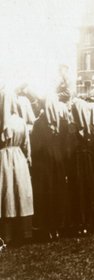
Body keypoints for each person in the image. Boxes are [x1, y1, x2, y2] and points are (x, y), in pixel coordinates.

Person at [31, 96, 69, 240]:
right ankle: (58, 226)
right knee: (58, 193)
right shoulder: (64, 123)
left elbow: (35, 148)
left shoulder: (40, 124)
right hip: (59, 163)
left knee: (46, 194)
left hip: (44, 165)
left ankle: (47, 227)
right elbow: (67, 147)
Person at [0, 90, 34, 245]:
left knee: (6, 194)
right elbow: (27, 143)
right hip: (19, 158)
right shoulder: (20, 121)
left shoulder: (2, 122)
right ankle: (24, 233)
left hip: (3, 159)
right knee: (20, 192)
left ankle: (6, 234)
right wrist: (27, 157)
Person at [68, 99, 94, 234]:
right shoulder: (92, 127)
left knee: (78, 190)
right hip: (89, 162)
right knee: (89, 189)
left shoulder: (71, 127)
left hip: (76, 162)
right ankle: (91, 221)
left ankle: (80, 221)